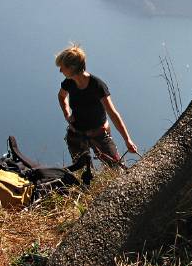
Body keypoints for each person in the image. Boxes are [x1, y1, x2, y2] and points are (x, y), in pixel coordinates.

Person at [55, 45, 137, 176]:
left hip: (99, 134)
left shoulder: (97, 86)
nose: (60, 70)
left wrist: (127, 140)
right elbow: (61, 96)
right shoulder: (69, 83)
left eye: (62, 67)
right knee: (83, 172)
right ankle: (89, 190)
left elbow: (113, 114)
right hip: (77, 135)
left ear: (72, 67)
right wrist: (67, 114)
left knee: (117, 170)